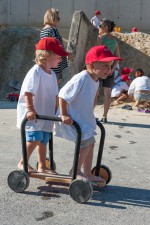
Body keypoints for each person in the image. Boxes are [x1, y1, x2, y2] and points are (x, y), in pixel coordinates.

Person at [54, 45, 122, 183]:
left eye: (110, 66)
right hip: (71, 120)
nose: (109, 70)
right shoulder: (82, 77)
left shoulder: (95, 81)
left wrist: (89, 114)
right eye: (105, 65)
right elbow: (62, 95)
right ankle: (75, 171)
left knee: (90, 143)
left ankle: (87, 173)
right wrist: (64, 114)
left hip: (82, 120)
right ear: (91, 64)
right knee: (87, 143)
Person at [17, 37, 69, 173]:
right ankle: (23, 162)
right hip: (33, 113)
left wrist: (57, 110)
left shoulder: (52, 74)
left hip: (45, 113)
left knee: (44, 139)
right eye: (58, 56)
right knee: (35, 138)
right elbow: (28, 92)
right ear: (47, 55)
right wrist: (29, 109)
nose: (61, 59)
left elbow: (55, 95)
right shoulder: (36, 71)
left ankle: (42, 165)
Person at [97, 19, 121, 122]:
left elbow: (97, 53)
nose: (99, 27)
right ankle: (105, 116)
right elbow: (118, 57)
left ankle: (90, 115)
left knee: (95, 92)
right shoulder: (114, 41)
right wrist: (112, 68)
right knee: (107, 94)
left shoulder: (100, 37)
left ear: (106, 26)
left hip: (100, 67)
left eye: (101, 25)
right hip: (110, 68)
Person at [40, 8, 69, 85]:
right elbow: (57, 45)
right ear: (52, 18)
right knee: (56, 81)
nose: (59, 20)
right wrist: (66, 53)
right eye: (58, 18)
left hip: (48, 59)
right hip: (55, 60)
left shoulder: (43, 30)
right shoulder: (52, 30)